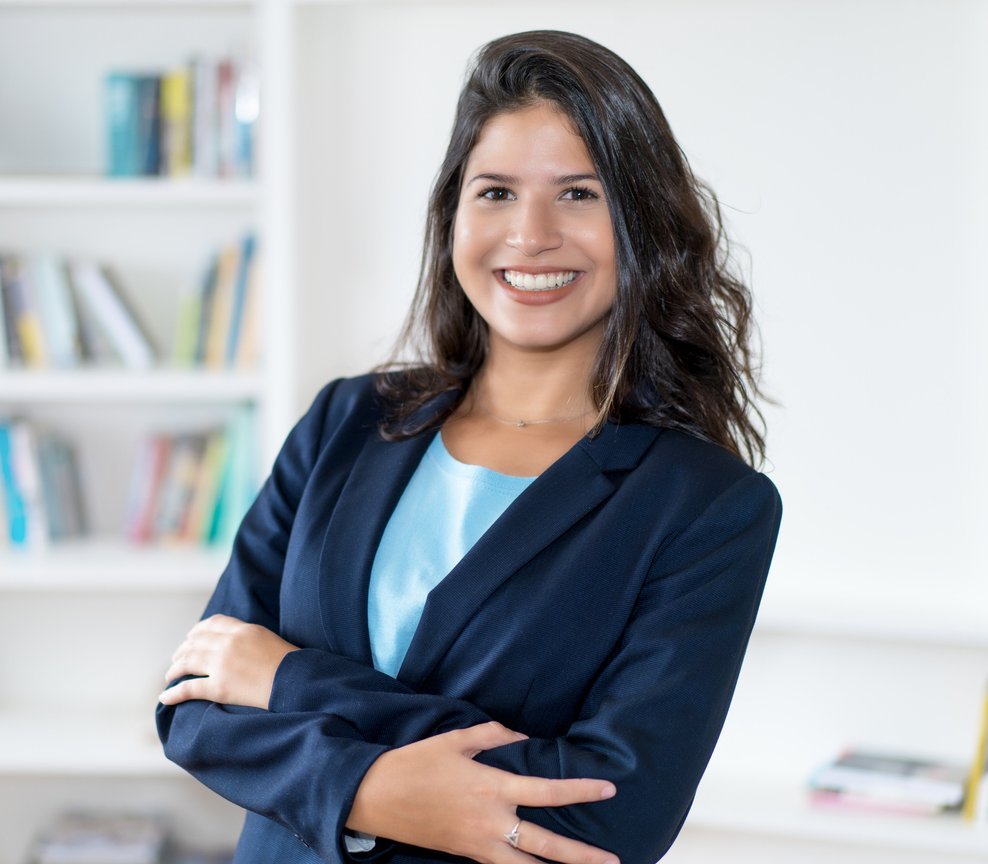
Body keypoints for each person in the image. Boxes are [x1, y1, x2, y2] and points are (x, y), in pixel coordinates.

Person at [155, 30, 781, 864]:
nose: (529, 234)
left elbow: (614, 814)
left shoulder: (704, 504)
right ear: (453, 214)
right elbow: (195, 703)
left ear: (639, 223)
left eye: (578, 194)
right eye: (495, 192)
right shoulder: (346, 420)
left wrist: (289, 684)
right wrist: (381, 788)